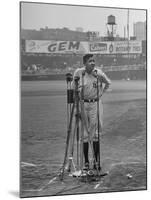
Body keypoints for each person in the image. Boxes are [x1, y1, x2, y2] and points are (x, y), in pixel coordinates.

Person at [72, 54, 111, 171]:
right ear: (85, 63)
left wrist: (101, 93)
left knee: (96, 134)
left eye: (94, 61)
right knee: (84, 134)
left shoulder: (98, 73)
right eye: (90, 61)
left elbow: (108, 83)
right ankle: (86, 163)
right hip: (83, 104)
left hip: (95, 104)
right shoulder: (78, 73)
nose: (93, 63)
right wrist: (76, 108)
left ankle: (96, 161)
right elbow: (74, 89)